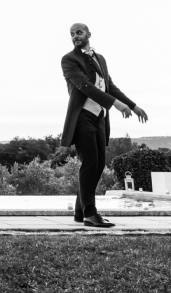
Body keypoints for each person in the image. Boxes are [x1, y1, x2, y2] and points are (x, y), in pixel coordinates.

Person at [61, 23, 148, 227]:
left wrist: (132, 106)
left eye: (79, 32)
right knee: (90, 162)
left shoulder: (100, 59)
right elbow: (85, 86)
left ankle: (80, 211)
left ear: (88, 34)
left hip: (99, 116)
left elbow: (109, 86)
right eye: (72, 34)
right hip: (82, 116)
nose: (75, 36)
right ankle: (90, 213)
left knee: (98, 163)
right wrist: (115, 104)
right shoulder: (69, 60)